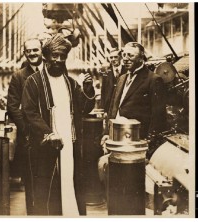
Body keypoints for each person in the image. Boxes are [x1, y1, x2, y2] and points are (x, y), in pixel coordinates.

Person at [21, 33, 95, 216]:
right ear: (46, 57)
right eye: (55, 56)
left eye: (62, 57)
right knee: (46, 191)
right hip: (45, 145)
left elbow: (84, 108)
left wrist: (88, 89)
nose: (59, 60)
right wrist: (49, 133)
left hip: (69, 144)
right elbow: (29, 112)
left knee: (70, 183)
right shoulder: (33, 82)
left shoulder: (71, 83)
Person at [99, 42, 167, 188]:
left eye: (130, 55)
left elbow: (158, 116)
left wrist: (149, 143)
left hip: (137, 144)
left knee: (130, 185)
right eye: (124, 55)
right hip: (116, 140)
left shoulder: (153, 80)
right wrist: (106, 133)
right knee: (113, 180)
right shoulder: (122, 78)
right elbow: (114, 107)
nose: (125, 58)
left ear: (141, 57)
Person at [7, 38, 44, 215]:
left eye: (35, 50)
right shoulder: (18, 76)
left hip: (50, 134)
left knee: (50, 178)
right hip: (29, 136)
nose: (32, 54)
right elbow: (12, 106)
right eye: (28, 51)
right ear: (24, 53)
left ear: (42, 51)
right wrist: (25, 128)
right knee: (30, 179)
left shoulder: (52, 72)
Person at [100, 48, 127, 113]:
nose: (113, 59)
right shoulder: (106, 72)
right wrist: (104, 110)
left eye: (115, 57)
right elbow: (103, 91)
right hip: (109, 107)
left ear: (120, 57)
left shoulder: (127, 70)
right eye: (111, 57)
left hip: (123, 106)